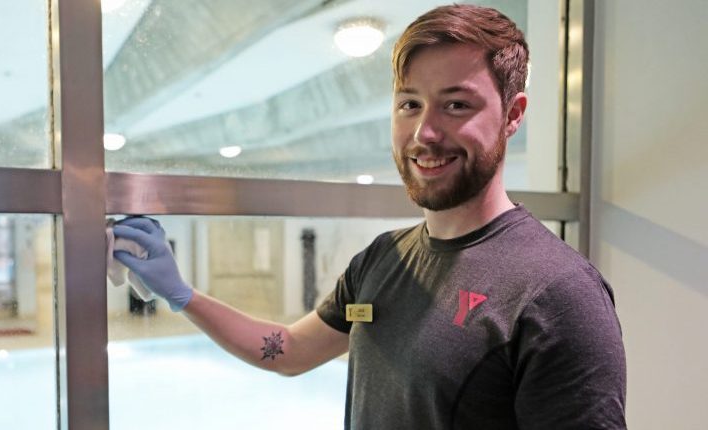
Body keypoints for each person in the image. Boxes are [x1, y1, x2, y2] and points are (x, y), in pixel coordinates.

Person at [112, 4, 626, 429]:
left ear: (513, 115)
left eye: (456, 105)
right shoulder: (382, 259)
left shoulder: (558, 295)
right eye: (409, 104)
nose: (425, 132)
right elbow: (288, 351)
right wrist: (180, 294)